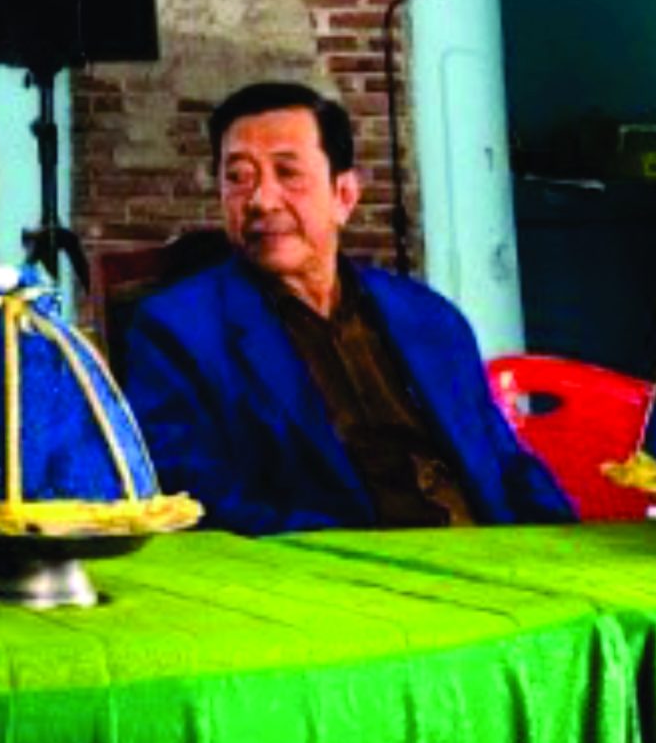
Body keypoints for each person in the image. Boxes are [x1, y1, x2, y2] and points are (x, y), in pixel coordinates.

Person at [123, 82, 572, 535]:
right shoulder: (179, 330)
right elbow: (190, 491)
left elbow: (506, 463)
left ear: (344, 196)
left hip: (482, 550)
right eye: (238, 177)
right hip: (324, 564)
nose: (261, 200)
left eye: (287, 172)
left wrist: (563, 541)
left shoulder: (430, 318)